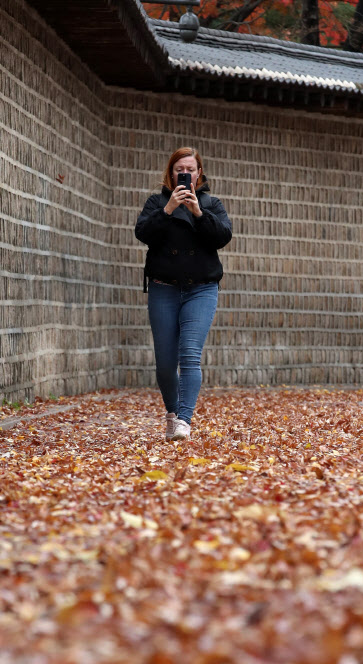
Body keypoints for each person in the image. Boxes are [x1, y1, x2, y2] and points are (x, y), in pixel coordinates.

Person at [135, 147, 232, 442]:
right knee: (165, 363)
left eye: (190, 169)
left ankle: (184, 421)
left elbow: (223, 236)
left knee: (189, 355)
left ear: (199, 173)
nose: (184, 174)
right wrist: (168, 210)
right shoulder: (157, 202)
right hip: (164, 288)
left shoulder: (211, 204)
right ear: (171, 172)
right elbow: (143, 233)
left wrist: (198, 213)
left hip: (201, 289)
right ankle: (172, 414)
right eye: (179, 169)